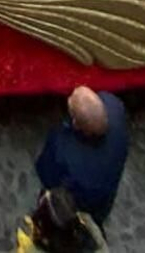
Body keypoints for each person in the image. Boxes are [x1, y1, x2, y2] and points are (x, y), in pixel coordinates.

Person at [35, 86, 128, 230]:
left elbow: (47, 175)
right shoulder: (115, 106)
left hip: (77, 205)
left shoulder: (64, 151)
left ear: (76, 124)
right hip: (103, 201)